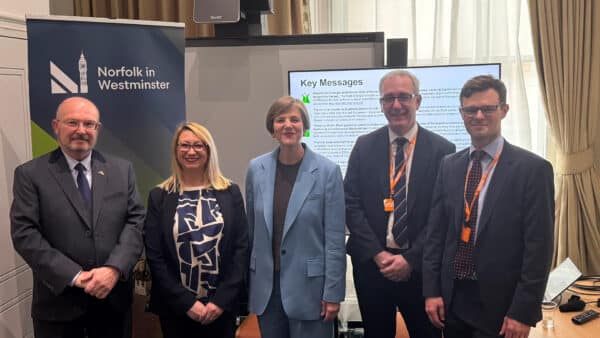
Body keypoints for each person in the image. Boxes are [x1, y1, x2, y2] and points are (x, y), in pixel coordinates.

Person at [422, 75, 554, 338]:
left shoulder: (533, 170)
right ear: (461, 113)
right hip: (453, 300)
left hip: (502, 306)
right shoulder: (449, 165)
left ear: (503, 110)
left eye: (488, 108)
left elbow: (539, 249)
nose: (479, 115)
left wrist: (522, 311)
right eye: (471, 110)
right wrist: (432, 291)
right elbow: (436, 235)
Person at [10, 96, 145, 338]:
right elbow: (25, 234)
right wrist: (76, 276)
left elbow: (135, 222)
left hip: (112, 305)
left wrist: (114, 269)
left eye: (88, 124)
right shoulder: (30, 175)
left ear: (98, 129)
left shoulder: (122, 169)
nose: (81, 130)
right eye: (72, 122)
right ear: (55, 126)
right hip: (58, 307)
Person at [344, 70, 455, 338]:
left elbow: (441, 216)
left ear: (418, 101)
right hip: (372, 266)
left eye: (404, 97)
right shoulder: (364, 145)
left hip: (421, 270)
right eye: (388, 98)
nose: (396, 105)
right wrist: (379, 255)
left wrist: (410, 259)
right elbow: (351, 203)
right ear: (381, 104)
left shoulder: (443, 150)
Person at [245, 96, 346, 338]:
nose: (288, 125)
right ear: (273, 129)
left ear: (304, 126)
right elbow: (251, 231)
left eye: (295, 119)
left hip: (311, 289)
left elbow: (334, 240)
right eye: (280, 120)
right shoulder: (256, 170)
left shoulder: (327, 172)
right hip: (267, 290)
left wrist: (332, 293)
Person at [143, 122, 249, 338]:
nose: (191, 151)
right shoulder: (160, 196)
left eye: (198, 145)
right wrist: (187, 303)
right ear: (176, 150)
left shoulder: (230, 192)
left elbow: (241, 248)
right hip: (176, 308)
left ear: (209, 150)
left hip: (221, 308)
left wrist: (220, 301)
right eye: (185, 145)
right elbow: (155, 255)